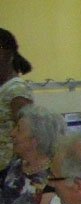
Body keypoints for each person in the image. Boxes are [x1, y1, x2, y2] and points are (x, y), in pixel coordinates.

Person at [1, 105, 65, 204]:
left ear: (36, 140)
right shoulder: (16, 165)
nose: (12, 134)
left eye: (19, 130)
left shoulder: (56, 175)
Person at [0, 28, 33, 171]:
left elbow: (28, 134)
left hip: (9, 171)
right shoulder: (3, 88)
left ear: (10, 54)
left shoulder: (17, 90)